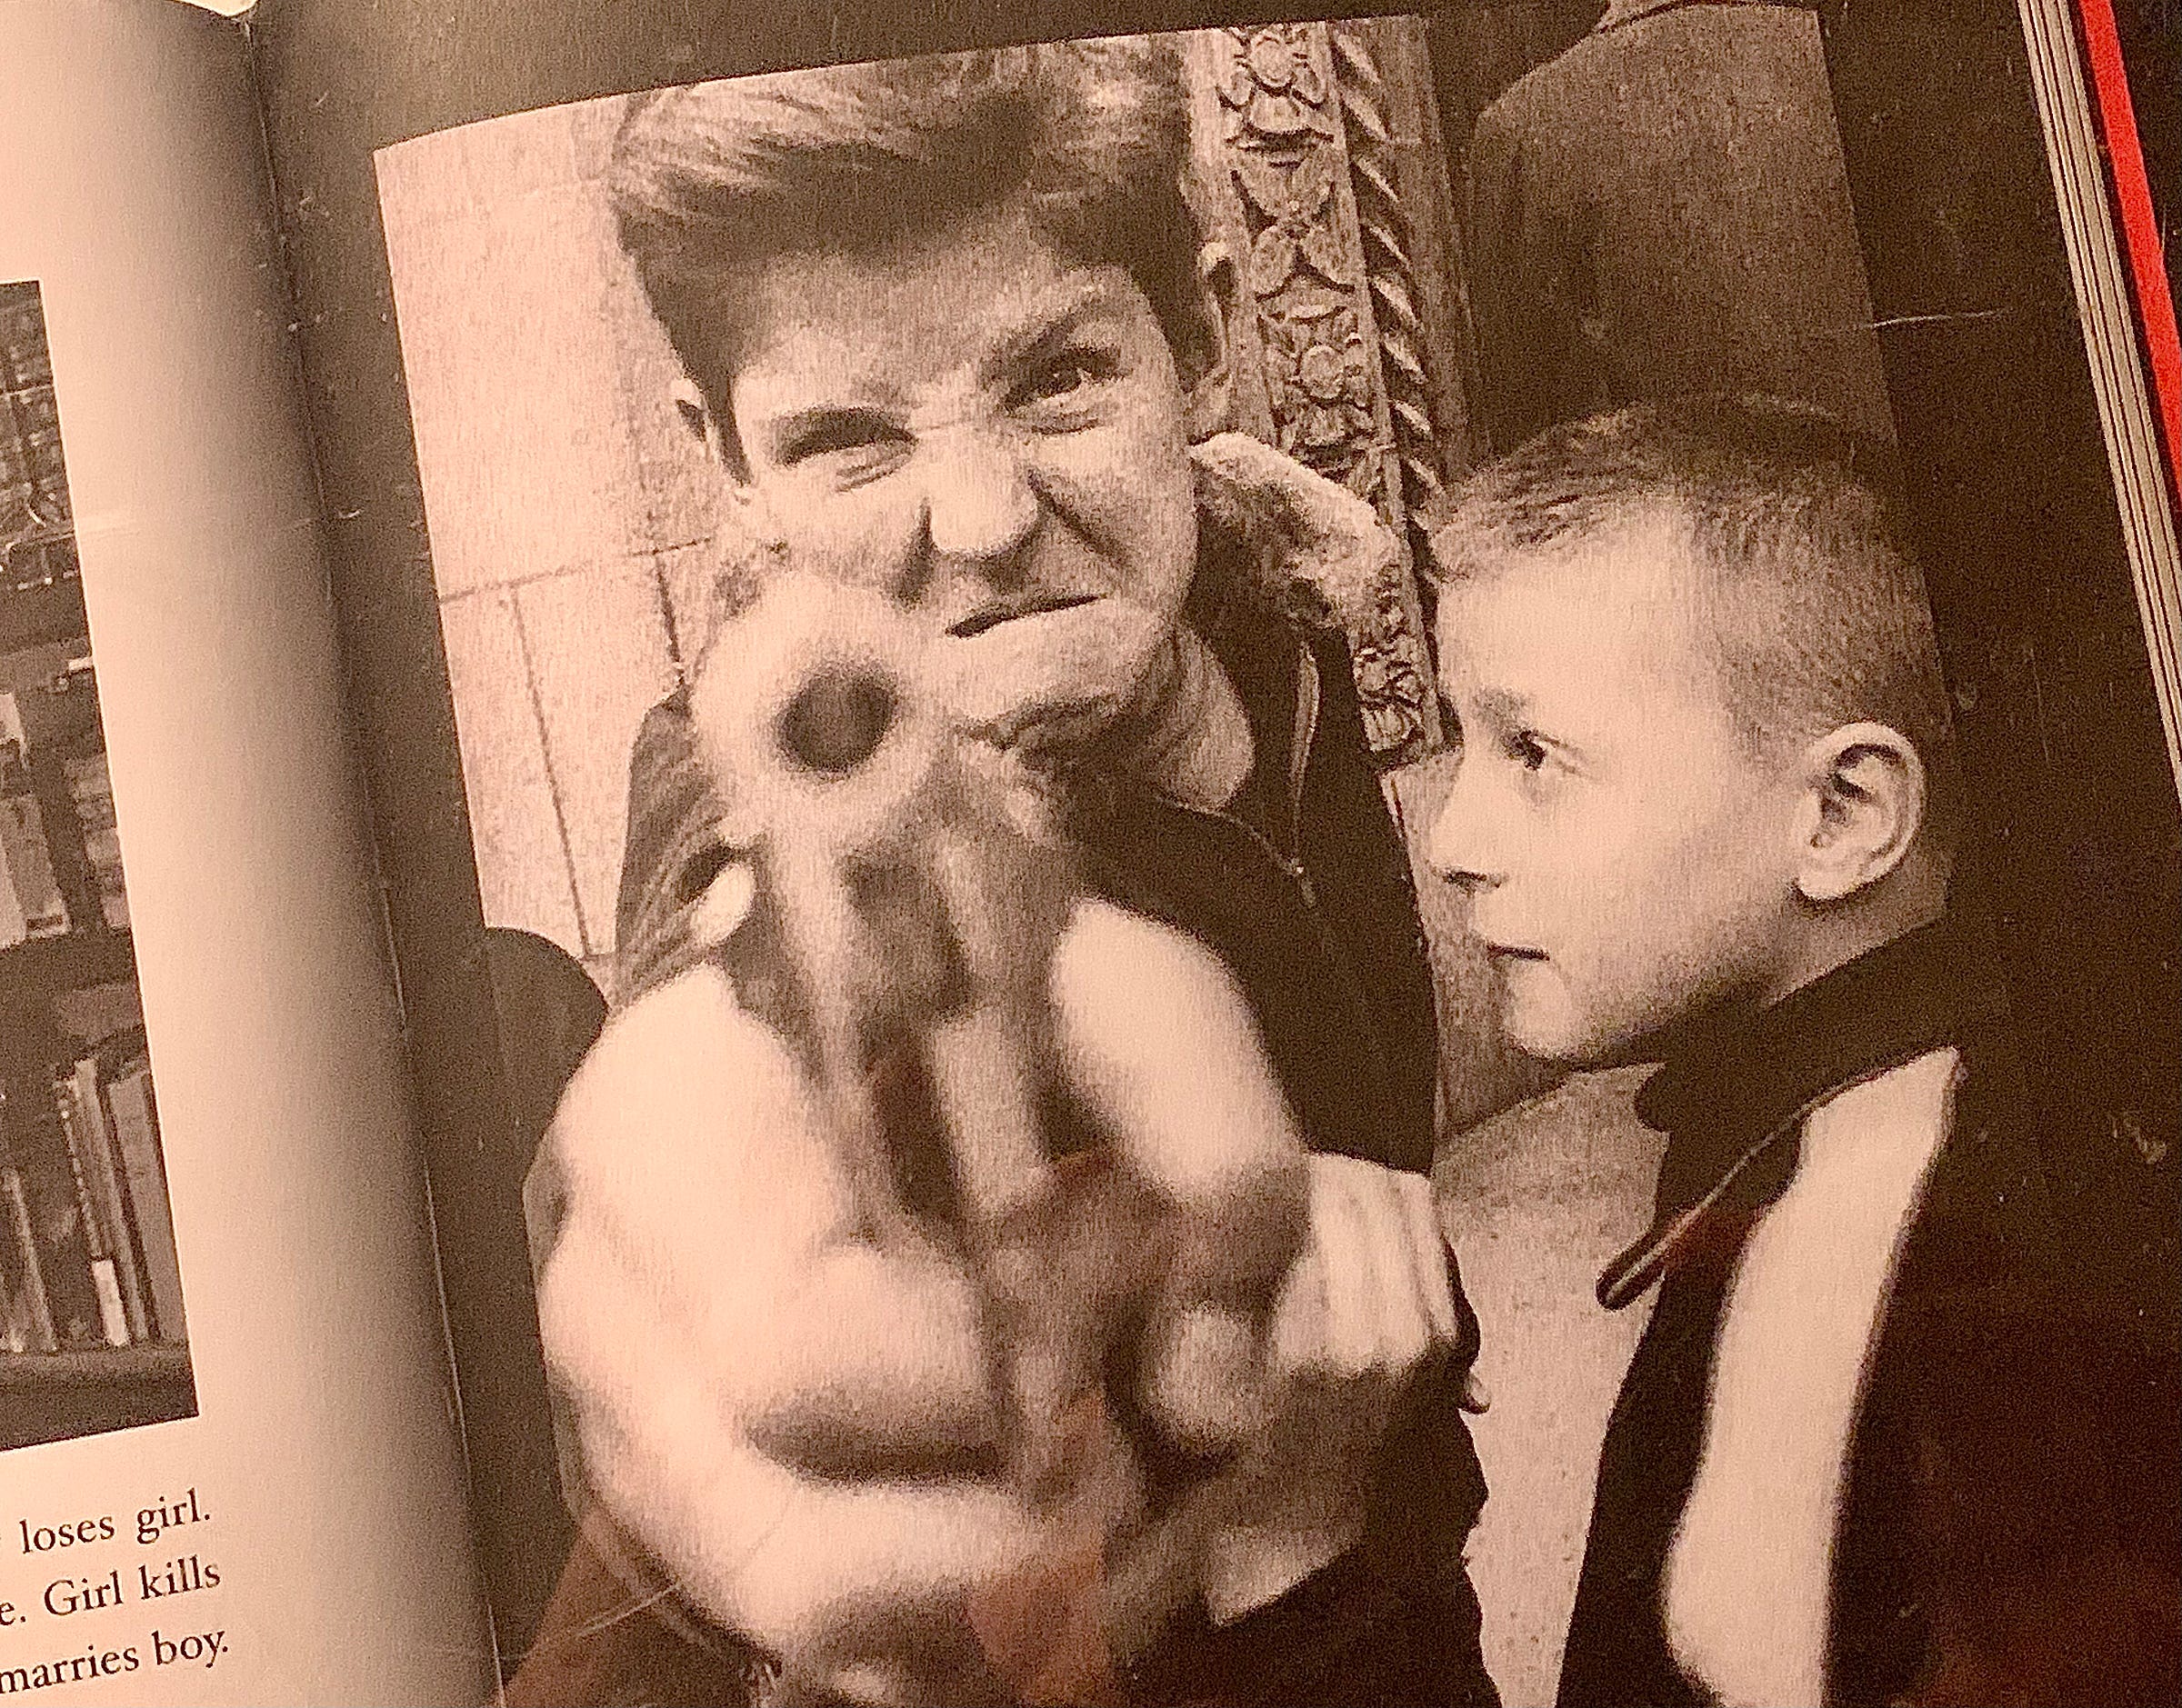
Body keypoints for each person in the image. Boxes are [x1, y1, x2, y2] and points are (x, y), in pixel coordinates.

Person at [512, 40, 1497, 1708]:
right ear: (724, 466)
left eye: (1055, 385)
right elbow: (730, 1005)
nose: (979, 521)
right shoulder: (772, 837)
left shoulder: (1268, 598)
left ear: (1202, 337)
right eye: (846, 443)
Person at [1424, 395, 2179, 1706]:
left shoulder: (1856, 1235)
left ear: (1839, 814)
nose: (1452, 840)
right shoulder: (1816, 1135)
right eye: (1462, 740)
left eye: (1533, 751)